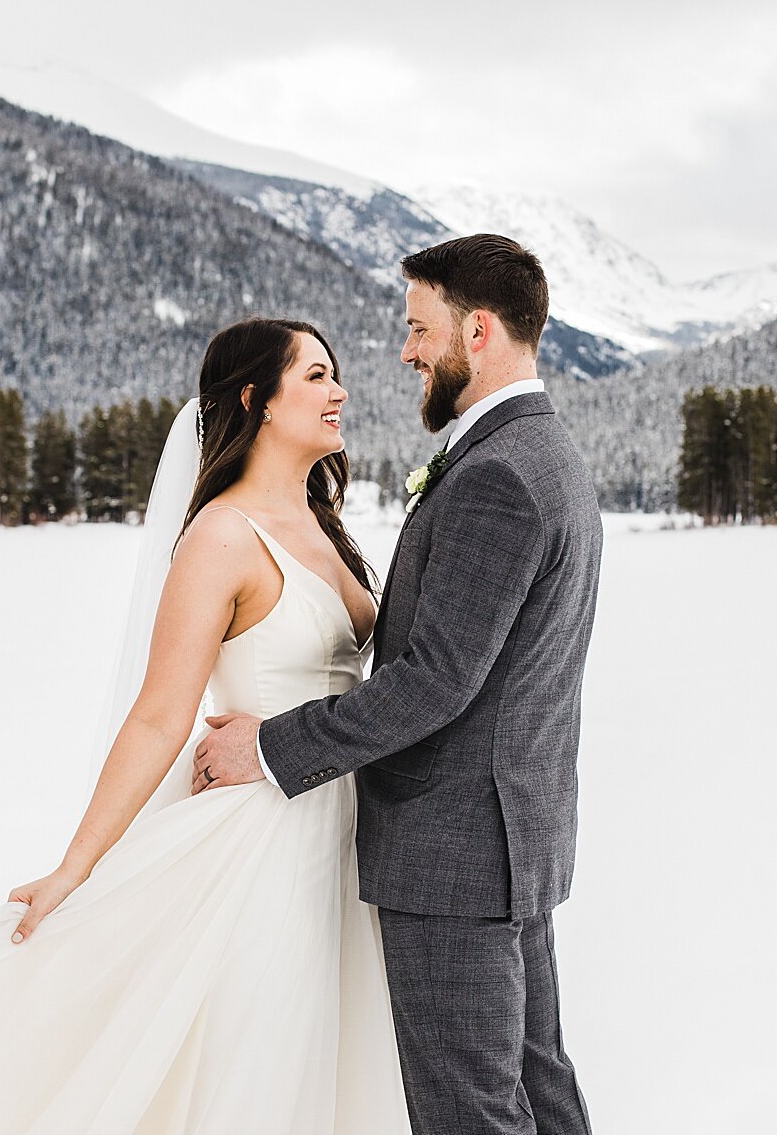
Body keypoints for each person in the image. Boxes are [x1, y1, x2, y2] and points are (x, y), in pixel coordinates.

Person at [0, 316, 410, 1134]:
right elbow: (159, 715)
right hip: (263, 845)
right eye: (315, 375)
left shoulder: (321, 525)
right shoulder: (219, 538)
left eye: (333, 373)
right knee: (256, 1062)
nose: (338, 390)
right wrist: (77, 866)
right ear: (257, 399)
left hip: (348, 834)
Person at [193, 233, 603, 1135]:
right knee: (536, 1089)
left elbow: (436, 682)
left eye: (420, 328)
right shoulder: (545, 455)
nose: (408, 350)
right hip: (511, 837)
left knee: (471, 1112)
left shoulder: (497, 475)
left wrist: (268, 744)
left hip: (454, 854)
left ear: (479, 331)